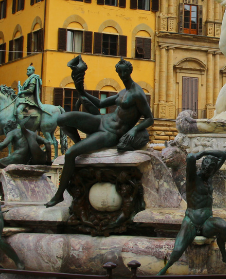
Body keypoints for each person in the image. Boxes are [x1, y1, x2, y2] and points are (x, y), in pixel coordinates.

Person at [45, 57, 154, 208]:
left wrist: (135, 130)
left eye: (125, 72)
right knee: (62, 119)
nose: (122, 75)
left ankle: (59, 195)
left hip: (111, 133)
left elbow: (150, 118)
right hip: (102, 120)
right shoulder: (123, 92)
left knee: (70, 154)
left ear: (130, 71)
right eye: (119, 72)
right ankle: (80, 145)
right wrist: (81, 91)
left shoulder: (137, 93)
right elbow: (100, 103)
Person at [157, 150, 226, 275]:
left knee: (225, 227)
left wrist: (207, 153)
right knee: (177, 251)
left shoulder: (209, 176)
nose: (207, 169)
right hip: (191, 221)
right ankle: (162, 272)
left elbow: (224, 154)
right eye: (205, 165)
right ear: (202, 165)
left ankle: (224, 256)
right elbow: (190, 158)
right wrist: (202, 153)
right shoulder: (193, 178)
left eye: (211, 167)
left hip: (207, 222)